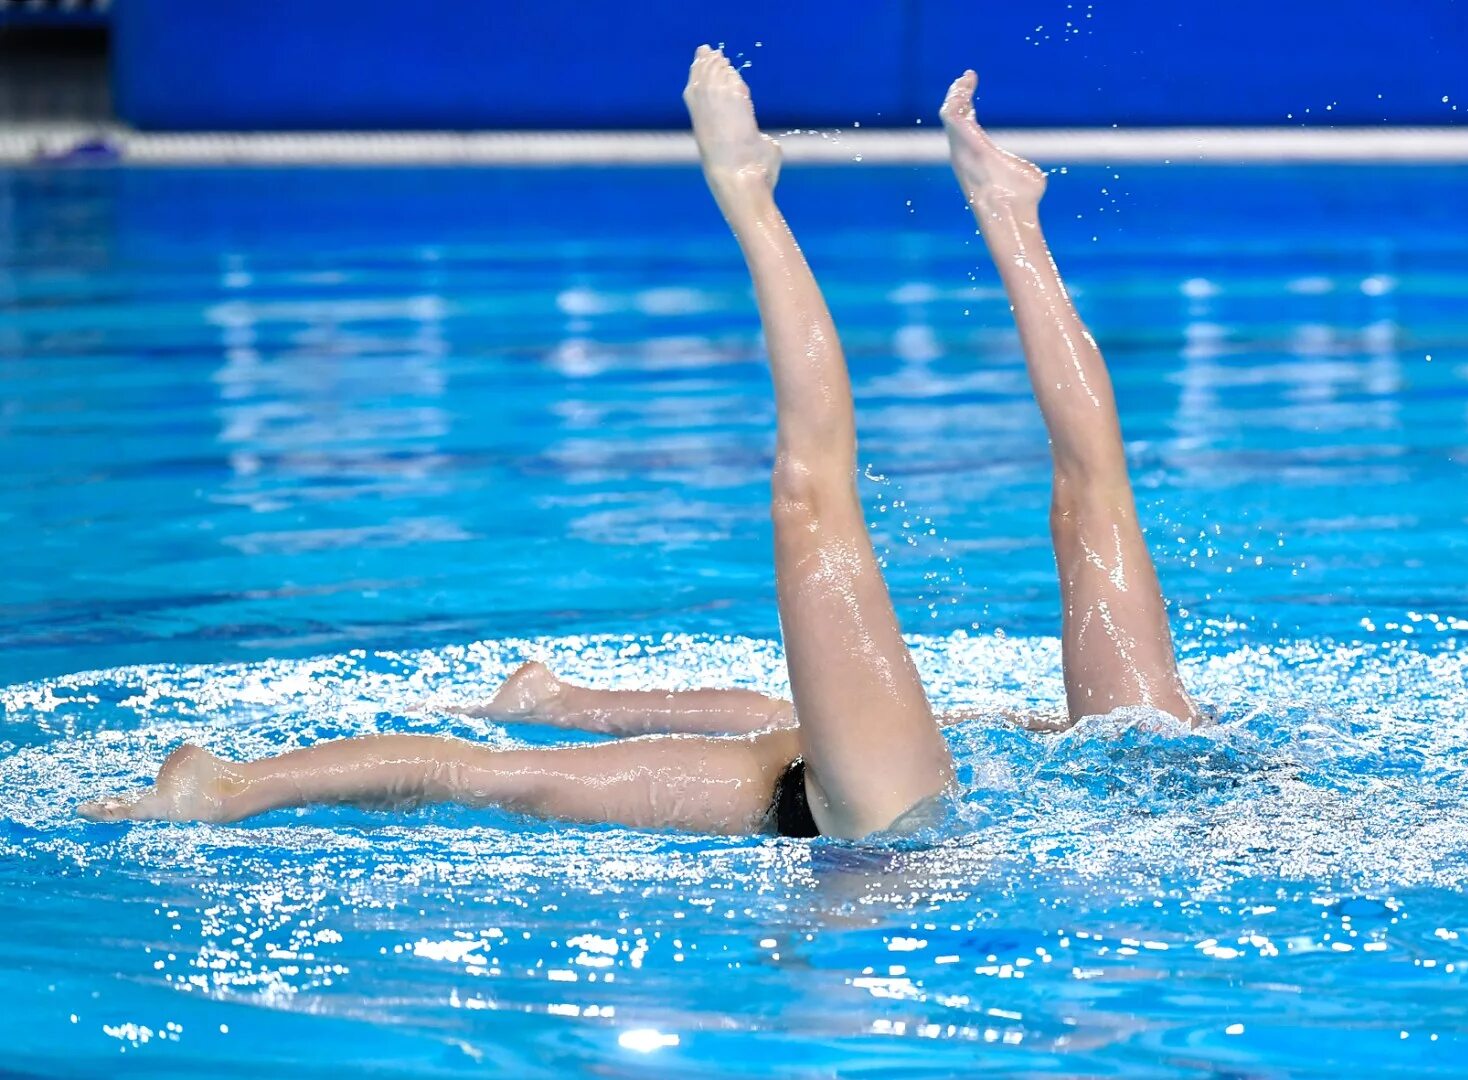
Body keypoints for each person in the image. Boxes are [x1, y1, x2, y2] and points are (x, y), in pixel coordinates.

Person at [78, 49, 1196, 840]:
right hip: (900, 809)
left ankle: (231, 788)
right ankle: (830, 205)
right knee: (1053, 505)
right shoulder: (1166, 765)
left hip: (877, 807)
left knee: (1055, 509)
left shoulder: (1128, 764)